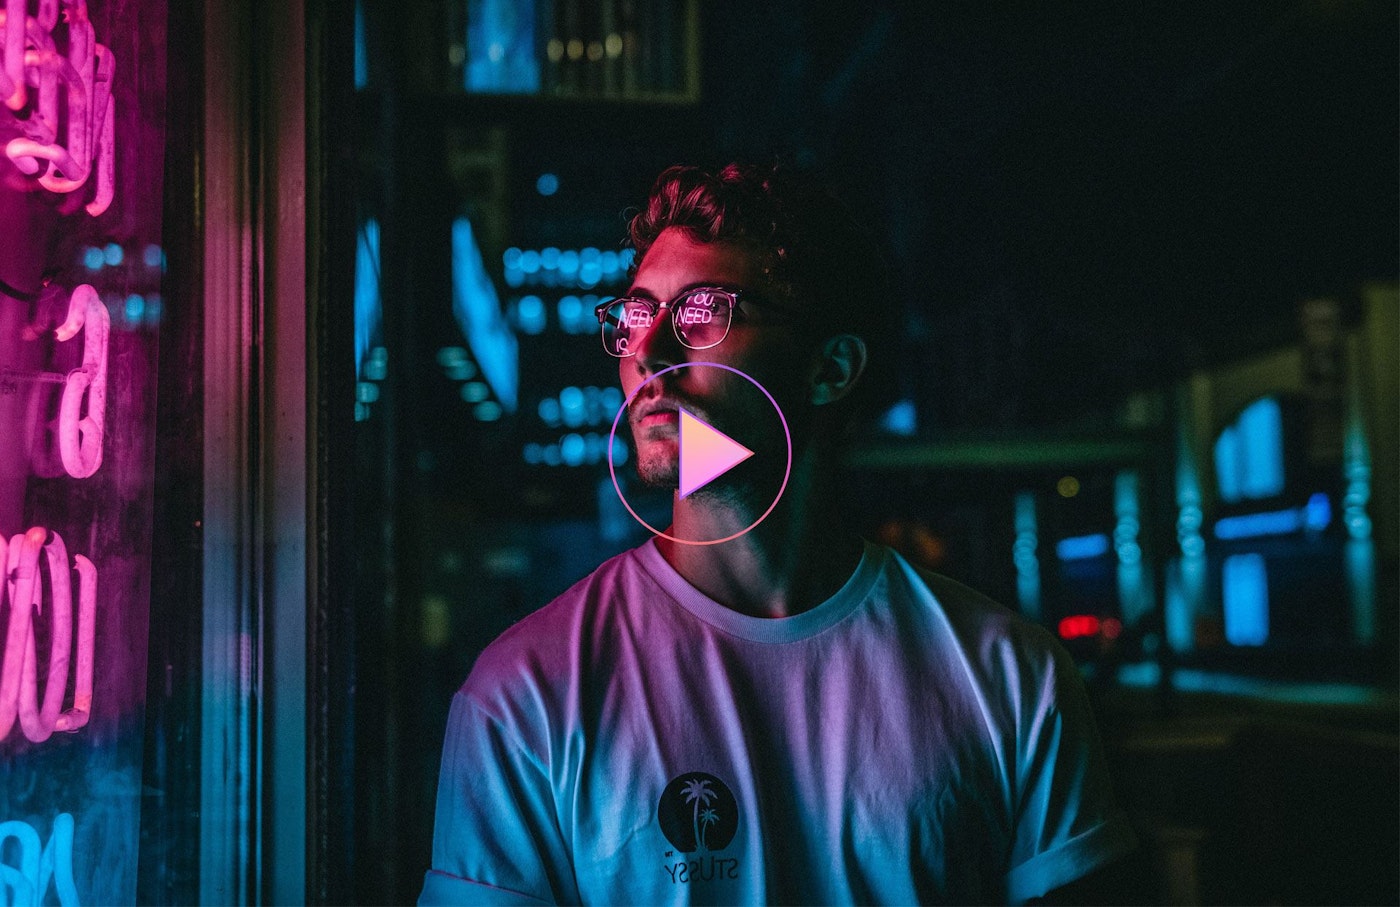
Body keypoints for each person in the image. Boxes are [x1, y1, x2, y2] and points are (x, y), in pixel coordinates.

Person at [420, 162, 1136, 905]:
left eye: (703, 312)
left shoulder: (1012, 677)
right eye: (636, 315)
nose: (650, 353)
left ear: (830, 368)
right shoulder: (527, 691)